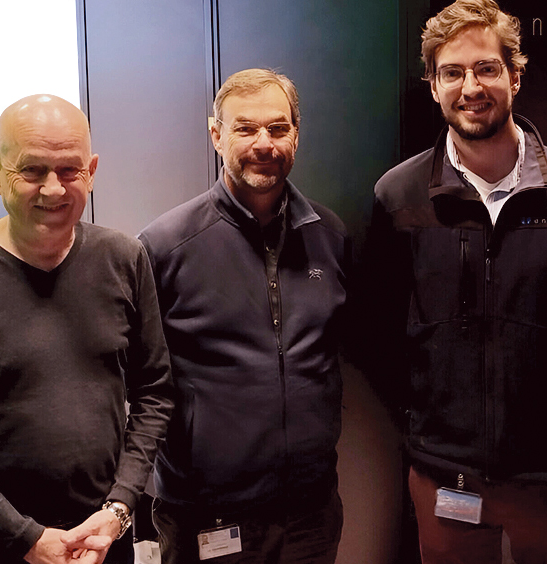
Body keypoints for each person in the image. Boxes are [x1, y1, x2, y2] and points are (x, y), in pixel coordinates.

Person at [362, 1, 547, 562]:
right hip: (446, 467)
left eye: (486, 68)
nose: (470, 87)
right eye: (452, 72)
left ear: (515, 74)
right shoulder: (397, 198)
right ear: (433, 86)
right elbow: (378, 329)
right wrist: (430, 412)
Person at [0, 94, 174, 564]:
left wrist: (120, 506)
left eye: (70, 171)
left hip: (101, 544)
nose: (54, 189)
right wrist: (24, 536)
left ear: (92, 169)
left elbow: (155, 392)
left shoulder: (125, 260)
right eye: (32, 171)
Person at [139, 68, 348, 564]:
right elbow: (138, 384)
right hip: (207, 515)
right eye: (245, 128)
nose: (264, 143)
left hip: (310, 513)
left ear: (296, 133)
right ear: (216, 134)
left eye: (278, 128)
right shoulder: (164, 247)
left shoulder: (330, 237)